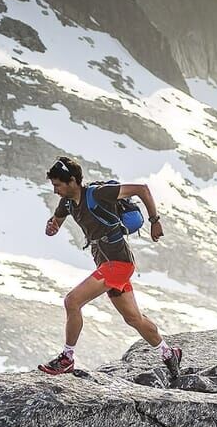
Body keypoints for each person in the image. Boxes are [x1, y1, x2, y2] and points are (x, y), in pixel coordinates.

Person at [38, 156, 183, 378]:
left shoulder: (97, 194)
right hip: (106, 262)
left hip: (119, 262)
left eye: (58, 185)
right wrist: (52, 228)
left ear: (72, 181)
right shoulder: (67, 203)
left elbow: (142, 189)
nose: (55, 190)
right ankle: (168, 353)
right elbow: (55, 222)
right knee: (133, 318)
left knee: (72, 301)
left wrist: (155, 221)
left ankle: (67, 358)